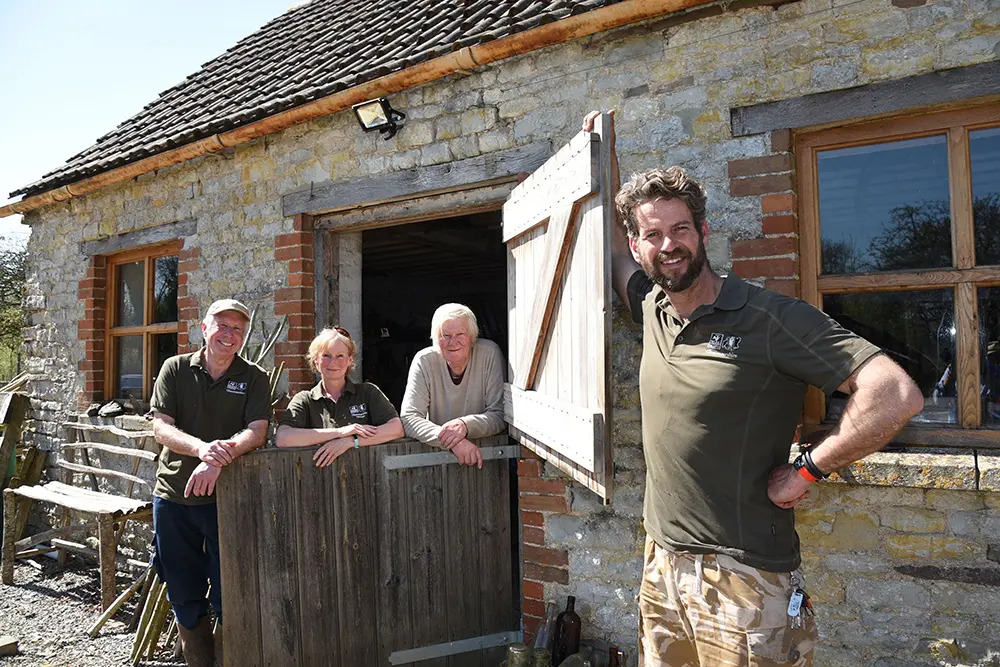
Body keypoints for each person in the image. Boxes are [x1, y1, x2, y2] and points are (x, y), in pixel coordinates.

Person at [582, 111, 924, 667]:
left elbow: (895, 392)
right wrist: (603, 153)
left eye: (681, 229)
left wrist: (810, 468)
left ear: (704, 232)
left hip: (745, 577)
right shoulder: (651, 306)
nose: (668, 245)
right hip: (662, 564)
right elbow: (614, 255)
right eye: (652, 234)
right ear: (638, 244)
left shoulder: (769, 318)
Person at [149, 299, 271, 667]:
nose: (229, 335)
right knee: (183, 593)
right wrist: (203, 450)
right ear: (204, 328)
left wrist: (221, 457)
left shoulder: (254, 377)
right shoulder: (175, 368)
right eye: (222, 325)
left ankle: (228, 658)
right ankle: (198, 661)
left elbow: (258, 431)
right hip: (174, 497)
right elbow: (160, 427)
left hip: (228, 499)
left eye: (238, 329)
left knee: (229, 591)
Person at [400, 303, 506, 468]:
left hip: (486, 458)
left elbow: (500, 415)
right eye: (445, 335)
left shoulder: (489, 354)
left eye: (460, 334)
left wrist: (465, 425)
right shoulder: (424, 361)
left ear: (472, 336)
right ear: (435, 339)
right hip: (435, 459)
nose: (453, 341)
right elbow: (409, 418)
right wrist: (453, 441)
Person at [275, 327, 403, 463]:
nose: (333, 362)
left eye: (340, 356)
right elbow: (283, 438)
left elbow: (396, 429)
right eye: (326, 355)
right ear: (316, 361)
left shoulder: (368, 392)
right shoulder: (304, 400)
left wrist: (351, 441)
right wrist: (340, 432)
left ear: (349, 360)